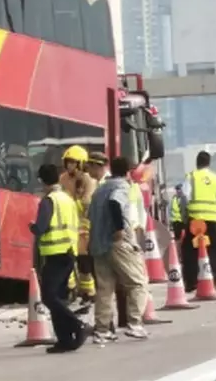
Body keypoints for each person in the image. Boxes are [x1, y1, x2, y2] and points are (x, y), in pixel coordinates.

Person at [87, 156, 150, 344]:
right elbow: (115, 203)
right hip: (117, 243)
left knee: (105, 289)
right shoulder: (122, 187)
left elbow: (90, 215)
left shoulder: (99, 190)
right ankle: (135, 324)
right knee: (137, 282)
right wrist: (119, 229)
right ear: (127, 171)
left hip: (98, 244)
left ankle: (102, 330)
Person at [30, 164, 87, 353]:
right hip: (70, 252)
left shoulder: (48, 201)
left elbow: (41, 227)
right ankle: (64, 340)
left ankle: (77, 325)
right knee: (59, 297)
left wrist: (32, 227)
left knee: (49, 297)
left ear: (42, 181)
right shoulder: (67, 198)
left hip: (55, 254)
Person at [180, 151, 216, 292]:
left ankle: (191, 282)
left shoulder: (191, 177)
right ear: (209, 163)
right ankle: (213, 280)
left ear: (197, 163)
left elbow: (184, 198)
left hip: (195, 220)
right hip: (213, 220)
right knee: (213, 249)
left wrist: (185, 217)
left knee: (190, 250)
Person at [59, 145, 96, 303]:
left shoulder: (88, 180)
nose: (70, 166)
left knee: (84, 263)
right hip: (67, 225)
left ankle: (89, 293)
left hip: (83, 227)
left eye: (73, 163)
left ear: (81, 164)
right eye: (68, 162)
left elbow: (87, 202)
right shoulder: (63, 179)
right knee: (68, 261)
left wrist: (73, 203)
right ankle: (71, 290)